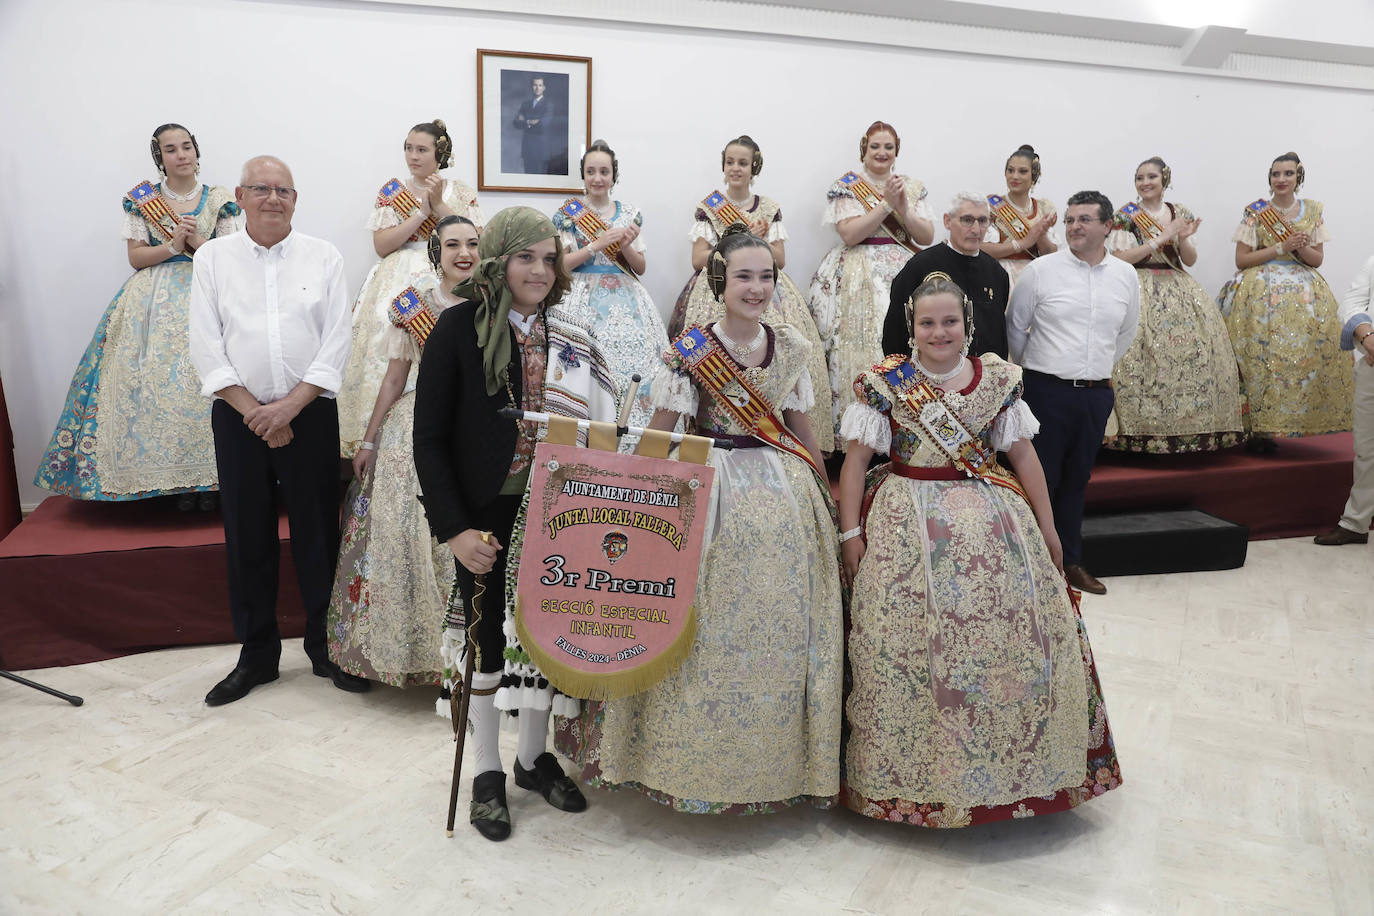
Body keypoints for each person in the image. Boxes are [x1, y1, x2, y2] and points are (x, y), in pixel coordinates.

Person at [557, 226, 843, 815]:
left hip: (784, 498)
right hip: (710, 490)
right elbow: (662, 433)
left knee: (780, 623)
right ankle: (690, 758)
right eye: (744, 276)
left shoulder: (789, 346)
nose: (757, 287)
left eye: (765, 276)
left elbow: (800, 427)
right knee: (705, 622)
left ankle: (775, 762)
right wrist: (625, 500)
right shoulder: (689, 351)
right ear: (720, 281)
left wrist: (823, 489)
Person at [838, 275, 1121, 827]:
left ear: (966, 324)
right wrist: (851, 535)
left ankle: (1017, 765)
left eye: (950, 321)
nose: (939, 332)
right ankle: (914, 776)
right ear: (910, 327)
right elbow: (852, 466)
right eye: (927, 323)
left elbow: (1024, 457)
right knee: (905, 643)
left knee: (1007, 637)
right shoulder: (886, 383)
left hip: (994, 522)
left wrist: (1049, 527)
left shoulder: (996, 380)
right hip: (904, 520)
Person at [412, 206, 619, 841]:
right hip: (484, 519)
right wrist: (454, 530)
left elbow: (603, 432)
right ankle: (486, 770)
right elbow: (429, 442)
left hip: (559, 518)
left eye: (548, 258)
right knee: (485, 646)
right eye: (524, 257)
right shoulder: (455, 330)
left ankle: (532, 759)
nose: (538, 270)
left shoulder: (574, 340)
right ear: (499, 261)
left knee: (545, 640)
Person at [190, 155, 368, 705]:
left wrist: (289, 408)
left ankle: (326, 647)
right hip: (239, 415)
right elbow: (206, 344)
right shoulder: (213, 259)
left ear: (296, 199)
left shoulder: (324, 257)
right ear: (239, 197)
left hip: (309, 414)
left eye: (283, 190)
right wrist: (257, 413)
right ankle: (258, 655)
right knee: (248, 536)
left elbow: (339, 338)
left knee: (318, 532)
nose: (273, 198)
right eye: (261, 188)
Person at [35, 123, 241, 504]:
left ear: (197, 151)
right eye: (170, 149)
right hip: (152, 302)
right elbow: (135, 257)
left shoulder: (219, 199)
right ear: (159, 157)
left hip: (208, 295)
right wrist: (172, 244)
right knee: (155, 385)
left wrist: (194, 241)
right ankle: (168, 483)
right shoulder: (142, 200)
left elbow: (231, 258)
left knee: (211, 384)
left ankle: (214, 480)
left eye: (186, 147)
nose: (181, 155)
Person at [327, 216, 479, 686]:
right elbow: (394, 377)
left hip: (471, 429)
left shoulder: (494, 303)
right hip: (412, 429)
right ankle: (378, 654)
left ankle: (464, 658)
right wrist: (370, 438)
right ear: (437, 252)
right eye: (452, 244)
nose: (463, 253)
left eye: (472, 244)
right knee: (396, 535)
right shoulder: (414, 305)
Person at [1007, 191, 1140, 597]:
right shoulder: (1041, 271)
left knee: (1077, 478)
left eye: (1084, 219)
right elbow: (1016, 327)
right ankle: (1028, 564)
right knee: (1038, 478)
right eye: (1069, 220)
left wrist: (1092, 374)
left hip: (1095, 394)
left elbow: (1125, 333)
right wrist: (1043, 372)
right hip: (1045, 389)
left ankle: (1070, 562)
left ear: (1108, 227)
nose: (1074, 227)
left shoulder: (1124, 276)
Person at [667, 135, 833, 452]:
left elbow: (779, 259)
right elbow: (698, 258)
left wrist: (760, 243)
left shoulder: (768, 209)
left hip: (766, 290)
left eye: (742, 162)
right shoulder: (710, 207)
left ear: (754, 166)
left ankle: (775, 426)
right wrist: (734, 244)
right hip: (718, 287)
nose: (735, 168)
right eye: (730, 162)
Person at [337, 120, 485, 456]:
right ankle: (374, 437)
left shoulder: (460, 192)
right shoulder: (392, 191)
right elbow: (382, 245)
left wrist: (440, 206)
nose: (413, 156)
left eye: (421, 149)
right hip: (399, 273)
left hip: (450, 275)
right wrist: (421, 213)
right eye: (408, 148)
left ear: (440, 153)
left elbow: (477, 239)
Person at [808, 121, 935, 450]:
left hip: (904, 271)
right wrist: (885, 205)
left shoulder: (912, 185)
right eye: (875, 146)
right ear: (864, 149)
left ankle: (909, 426)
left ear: (897, 150)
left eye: (888, 147)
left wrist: (903, 205)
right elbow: (850, 234)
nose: (882, 152)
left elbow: (925, 236)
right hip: (857, 273)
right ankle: (860, 432)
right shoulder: (848, 186)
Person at [1105, 157, 1242, 453]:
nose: (1145, 183)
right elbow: (1121, 257)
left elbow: (1189, 260)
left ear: (1164, 180)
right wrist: (1162, 238)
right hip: (1140, 286)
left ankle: (1191, 429)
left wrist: (1182, 239)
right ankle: (1137, 434)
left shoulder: (1179, 212)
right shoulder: (1126, 215)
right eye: (1140, 177)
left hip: (1179, 286)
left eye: (1151, 176)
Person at [1218, 151, 1351, 451]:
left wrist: (1298, 249)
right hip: (1260, 294)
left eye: (1288, 174)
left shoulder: (1313, 210)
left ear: (1298, 177)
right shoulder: (1255, 211)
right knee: (1259, 360)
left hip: (1304, 292)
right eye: (1276, 174)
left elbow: (1317, 260)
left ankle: (1296, 422)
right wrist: (1281, 246)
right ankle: (1257, 429)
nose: (1281, 179)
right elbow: (1242, 259)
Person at [552, 139, 667, 434]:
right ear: (583, 175)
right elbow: (561, 265)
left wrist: (625, 247)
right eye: (591, 171)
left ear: (614, 175)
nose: (598, 178)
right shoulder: (569, 215)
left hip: (627, 299)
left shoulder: (628, 214)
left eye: (604, 171)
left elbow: (639, 267)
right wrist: (596, 245)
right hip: (579, 295)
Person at [882, 192, 1011, 360]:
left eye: (982, 220)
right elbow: (895, 329)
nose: (976, 229)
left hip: (982, 378)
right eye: (967, 220)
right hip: (927, 378)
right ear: (947, 221)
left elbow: (998, 337)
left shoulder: (997, 273)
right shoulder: (920, 266)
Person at [1315, 253, 1374, 545]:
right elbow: (1351, 303)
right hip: (1372, 364)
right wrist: (1366, 336)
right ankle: (1355, 523)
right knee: (1366, 450)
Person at [979, 144, 1059, 290]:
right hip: (1000, 276)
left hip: (1035, 278)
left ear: (1033, 176)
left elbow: (1050, 255)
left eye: (1022, 171)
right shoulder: (991, 206)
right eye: (1010, 170)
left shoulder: (1043, 209)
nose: (1015, 176)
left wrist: (1040, 234)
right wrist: (1022, 243)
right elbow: (980, 249)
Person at [513, 77, 556, 174]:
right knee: (528, 180)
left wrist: (525, 121)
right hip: (527, 149)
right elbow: (516, 123)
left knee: (540, 182)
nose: (537, 88)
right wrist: (530, 122)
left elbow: (543, 125)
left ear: (544, 88)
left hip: (541, 150)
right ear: (531, 87)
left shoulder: (548, 105)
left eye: (540, 85)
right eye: (535, 85)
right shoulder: (525, 104)